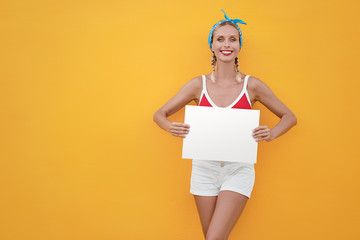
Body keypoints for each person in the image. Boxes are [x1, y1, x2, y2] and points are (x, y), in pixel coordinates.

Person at [153, 9, 297, 240]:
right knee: (211, 237)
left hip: (238, 170)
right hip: (204, 170)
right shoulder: (197, 85)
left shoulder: (252, 86)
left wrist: (271, 133)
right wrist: (170, 126)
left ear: (240, 45)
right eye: (220, 39)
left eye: (233, 39)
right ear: (212, 45)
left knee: (214, 238)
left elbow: (289, 117)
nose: (226, 44)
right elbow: (159, 114)